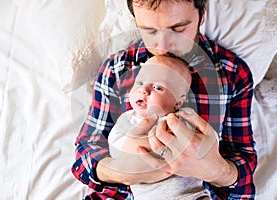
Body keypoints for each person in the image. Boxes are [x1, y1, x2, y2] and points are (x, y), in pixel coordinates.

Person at [72, 0, 257, 199]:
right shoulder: (117, 70)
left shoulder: (231, 74)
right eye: (150, 31)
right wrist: (119, 170)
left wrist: (216, 170)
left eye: (177, 29)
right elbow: (85, 153)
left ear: (201, 16)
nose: (162, 46)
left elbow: (243, 163)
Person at [108, 55, 212, 200]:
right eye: (140, 82)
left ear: (178, 102)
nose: (144, 90)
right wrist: (147, 141)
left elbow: (210, 146)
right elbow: (115, 147)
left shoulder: (185, 117)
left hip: (191, 195)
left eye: (158, 87)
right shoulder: (128, 119)